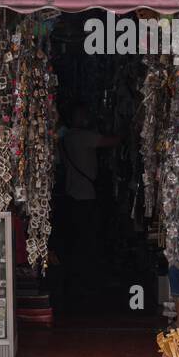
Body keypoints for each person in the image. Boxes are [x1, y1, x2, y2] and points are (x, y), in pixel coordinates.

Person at [57, 105, 121, 305]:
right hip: (85, 196)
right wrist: (127, 131)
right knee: (88, 240)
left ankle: (77, 282)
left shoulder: (66, 138)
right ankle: (87, 282)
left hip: (72, 195)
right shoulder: (83, 136)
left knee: (76, 239)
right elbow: (110, 141)